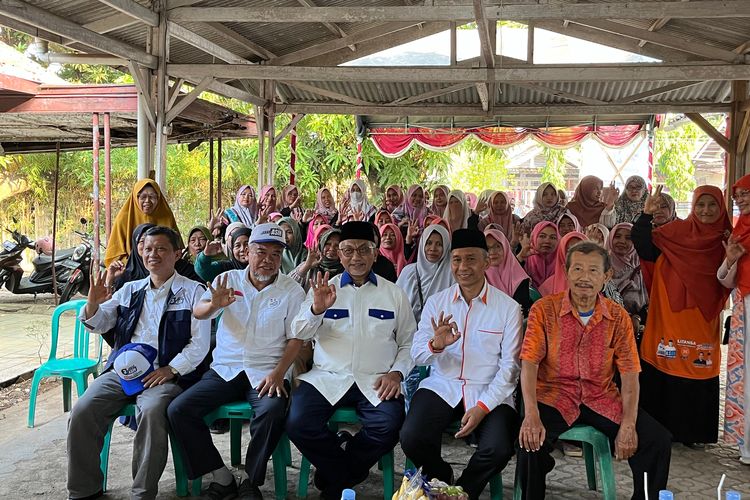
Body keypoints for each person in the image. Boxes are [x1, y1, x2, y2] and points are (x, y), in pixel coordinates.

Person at [516, 241, 671, 500]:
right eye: (577, 269)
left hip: (601, 398)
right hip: (554, 395)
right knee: (530, 442)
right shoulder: (544, 310)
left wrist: (629, 425)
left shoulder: (618, 317)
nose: (584, 278)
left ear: (606, 276)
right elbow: (529, 363)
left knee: (657, 440)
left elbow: (631, 375)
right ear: (566, 272)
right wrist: (531, 414)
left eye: (592, 271)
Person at [67, 226, 210, 500]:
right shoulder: (129, 290)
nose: (152, 254)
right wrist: (92, 305)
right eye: (146, 249)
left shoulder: (193, 291)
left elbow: (199, 344)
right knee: (83, 410)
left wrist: (171, 369)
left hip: (165, 374)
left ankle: (142, 493)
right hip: (123, 371)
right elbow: (100, 323)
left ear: (177, 254)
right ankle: (84, 490)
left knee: (154, 411)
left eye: (160, 249)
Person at [168, 223, 306, 500]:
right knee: (178, 410)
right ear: (247, 252)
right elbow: (199, 312)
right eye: (261, 252)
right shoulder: (228, 279)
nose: (267, 260)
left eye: (275, 254)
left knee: (272, 410)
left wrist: (280, 373)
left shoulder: (292, 291)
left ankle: (250, 481)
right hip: (226, 369)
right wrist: (214, 305)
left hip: (268, 371)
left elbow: (296, 339)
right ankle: (221, 476)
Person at [287, 221, 416, 500]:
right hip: (328, 377)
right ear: (339, 254)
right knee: (297, 421)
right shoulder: (324, 289)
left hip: (376, 378)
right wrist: (315, 309)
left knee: (390, 424)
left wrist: (396, 373)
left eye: (363, 250)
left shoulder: (393, 293)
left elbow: (408, 343)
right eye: (348, 250)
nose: (356, 257)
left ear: (375, 253)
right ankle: (345, 476)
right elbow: (298, 332)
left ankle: (335, 476)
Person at [400, 229, 522, 499]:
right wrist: (436, 345)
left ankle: (462, 491)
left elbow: (510, 369)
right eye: (456, 260)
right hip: (443, 384)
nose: (463, 267)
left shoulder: (508, 308)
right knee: (412, 437)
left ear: (486, 262)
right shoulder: (437, 302)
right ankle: (441, 476)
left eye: (470, 259)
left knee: (498, 447)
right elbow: (417, 354)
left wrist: (482, 407)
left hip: (489, 390)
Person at [633, 185, 731, 445]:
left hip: (702, 318)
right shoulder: (675, 233)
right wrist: (645, 214)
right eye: (700, 204)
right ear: (693, 206)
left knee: (697, 363)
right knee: (667, 359)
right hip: (669, 315)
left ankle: (694, 433)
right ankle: (661, 430)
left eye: (712, 205)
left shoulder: (727, 240)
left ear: (721, 207)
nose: (706, 210)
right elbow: (643, 245)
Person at [718, 174, 750, 465]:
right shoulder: (738, 230)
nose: (741, 199)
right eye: (738, 194)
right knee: (746, 372)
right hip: (743, 302)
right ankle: (746, 445)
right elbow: (724, 278)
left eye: (746, 194)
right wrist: (731, 258)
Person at [105, 179, 180, 266]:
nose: (147, 201)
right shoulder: (124, 218)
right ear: (136, 198)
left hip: (163, 266)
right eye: (143, 197)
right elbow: (115, 254)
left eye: (152, 197)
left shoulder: (167, 216)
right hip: (131, 267)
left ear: (158, 198)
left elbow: (176, 248)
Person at [484, 228, 532, 316]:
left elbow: (522, 310)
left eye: (497, 246)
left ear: (505, 247)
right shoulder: (478, 276)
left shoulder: (519, 277)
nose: (492, 252)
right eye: (487, 248)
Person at [607, 223, 648, 318]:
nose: (622, 241)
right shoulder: (601, 266)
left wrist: (636, 318)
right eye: (617, 236)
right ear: (610, 238)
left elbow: (645, 303)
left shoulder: (640, 268)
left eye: (628, 238)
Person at [290, 226, 344, 292]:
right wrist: (306, 266)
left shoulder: (345, 268)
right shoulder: (311, 265)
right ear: (321, 245)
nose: (332, 248)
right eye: (328, 244)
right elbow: (287, 286)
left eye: (337, 245)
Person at [538, 231, 587, 297]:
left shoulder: (596, 282)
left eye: (581, 250)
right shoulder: (548, 287)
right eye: (569, 251)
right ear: (562, 253)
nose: (576, 255)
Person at [519, 221, 559, 290]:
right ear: (534, 238)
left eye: (553, 237)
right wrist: (520, 257)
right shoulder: (524, 260)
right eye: (542, 236)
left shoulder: (563, 263)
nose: (547, 241)